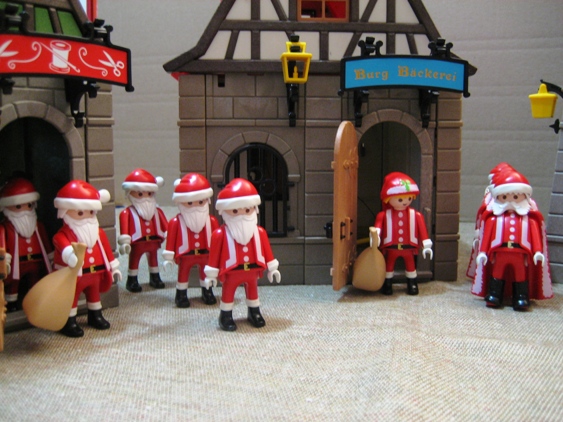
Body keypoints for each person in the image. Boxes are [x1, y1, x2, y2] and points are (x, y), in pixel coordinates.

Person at [204, 178, 281, 331]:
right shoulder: (220, 234)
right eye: (235, 211)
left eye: (247, 210)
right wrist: (211, 275)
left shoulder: (259, 232)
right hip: (232, 271)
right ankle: (226, 316)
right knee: (228, 292)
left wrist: (273, 268)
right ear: (225, 211)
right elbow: (214, 256)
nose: (242, 215)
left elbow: (267, 252)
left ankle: (254, 312)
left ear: (254, 209)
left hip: (252, 270)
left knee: (253, 291)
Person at [472, 169, 552, 310]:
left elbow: (535, 236)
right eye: (504, 197)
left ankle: (521, 297)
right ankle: (494, 295)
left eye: (515, 197)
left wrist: (538, 252)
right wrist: (483, 252)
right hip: (499, 252)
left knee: (520, 275)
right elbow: (487, 236)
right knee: (497, 273)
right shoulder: (493, 220)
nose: (510, 201)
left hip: (520, 254)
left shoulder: (529, 221)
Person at [53, 180, 121, 337]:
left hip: (95, 274)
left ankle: (95, 315)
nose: (87, 217)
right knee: (72, 297)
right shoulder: (63, 234)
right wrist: (70, 255)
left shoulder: (98, 233)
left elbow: (107, 251)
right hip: (76, 276)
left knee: (94, 295)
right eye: (80, 213)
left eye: (91, 212)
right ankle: (69, 321)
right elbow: (64, 247)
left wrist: (114, 267)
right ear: (65, 212)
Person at [162, 173, 219, 307]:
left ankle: (207, 292)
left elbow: (218, 240)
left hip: (206, 254)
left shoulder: (211, 221)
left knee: (206, 273)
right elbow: (171, 240)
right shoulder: (175, 222)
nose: (195, 206)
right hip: (186, 255)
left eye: (200, 202)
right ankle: (181, 295)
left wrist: (219, 256)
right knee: (183, 273)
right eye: (189, 203)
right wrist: (169, 257)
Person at [371, 172, 432, 295]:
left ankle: (412, 283)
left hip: (408, 248)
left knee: (410, 266)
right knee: (389, 266)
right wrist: (375, 238)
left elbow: (422, 231)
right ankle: (388, 284)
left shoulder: (416, 215)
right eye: (400, 199)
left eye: (409, 198)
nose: (405, 202)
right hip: (391, 248)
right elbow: (377, 229)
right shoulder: (383, 215)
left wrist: (426, 245)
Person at [0, 178, 52, 312]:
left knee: (35, 281)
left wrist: (51, 258)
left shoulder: (38, 226)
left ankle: (34, 301)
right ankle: (12, 303)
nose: (25, 210)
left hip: (36, 262)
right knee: (13, 284)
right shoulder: (6, 227)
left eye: (29, 205)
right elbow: (2, 244)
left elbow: (46, 243)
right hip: (16, 264)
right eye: (18, 206)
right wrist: (4, 259)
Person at [118, 169, 168, 292]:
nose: (145, 198)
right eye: (140, 194)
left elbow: (166, 226)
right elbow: (124, 230)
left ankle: (155, 277)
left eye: (149, 194)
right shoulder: (126, 213)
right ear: (130, 193)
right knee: (134, 259)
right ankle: (132, 280)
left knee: (154, 259)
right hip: (137, 242)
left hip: (153, 241)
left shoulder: (157, 211)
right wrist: (125, 242)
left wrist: (170, 236)